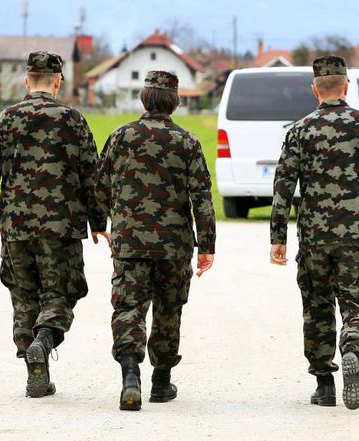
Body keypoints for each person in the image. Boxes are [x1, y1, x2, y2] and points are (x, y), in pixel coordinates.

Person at [269, 55, 359, 410]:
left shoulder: (300, 131)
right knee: (357, 302)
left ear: (314, 90)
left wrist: (278, 237)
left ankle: (324, 385)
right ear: (346, 86)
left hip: (314, 237)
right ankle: (353, 348)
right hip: (358, 234)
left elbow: (283, 187)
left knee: (317, 307)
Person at [0, 50, 108, 398]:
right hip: (61, 227)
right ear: (57, 81)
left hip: (15, 225)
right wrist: (99, 221)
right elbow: (92, 175)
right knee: (60, 292)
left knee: (23, 296)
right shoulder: (73, 119)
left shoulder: (7, 118)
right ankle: (45, 340)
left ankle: (35, 368)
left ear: (26, 79)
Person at [95, 70, 216, 411]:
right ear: (175, 103)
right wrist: (207, 245)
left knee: (129, 308)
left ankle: (130, 376)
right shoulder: (187, 142)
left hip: (129, 241)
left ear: (144, 99)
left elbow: (100, 185)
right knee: (168, 309)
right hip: (174, 245)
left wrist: (99, 222)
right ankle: (161, 383)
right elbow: (202, 198)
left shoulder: (120, 137)